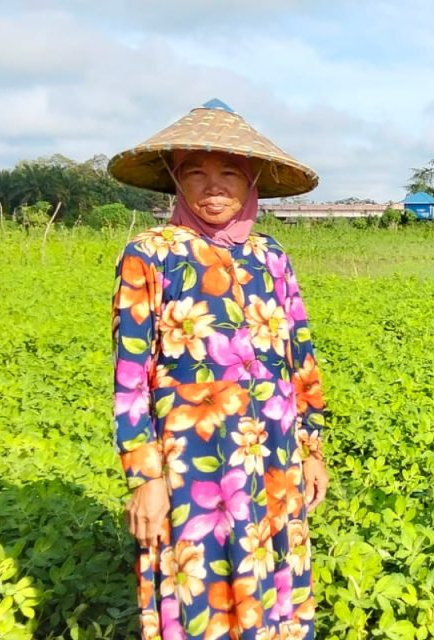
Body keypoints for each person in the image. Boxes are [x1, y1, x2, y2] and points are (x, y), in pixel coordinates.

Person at [108, 99, 329, 640]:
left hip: (272, 450)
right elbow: (130, 377)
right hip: (192, 462)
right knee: (196, 587)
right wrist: (146, 477)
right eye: (196, 174)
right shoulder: (149, 254)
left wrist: (312, 448)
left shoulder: (270, 255)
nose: (213, 187)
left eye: (229, 172)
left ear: (251, 179)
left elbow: (299, 354)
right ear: (175, 182)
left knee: (271, 578)